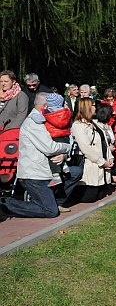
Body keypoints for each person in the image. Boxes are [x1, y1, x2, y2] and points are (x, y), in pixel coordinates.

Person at [0, 92, 80, 220]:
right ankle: (6, 204)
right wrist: (66, 148)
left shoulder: (45, 120)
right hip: (34, 174)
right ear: (45, 106)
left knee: (76, 172)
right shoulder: (33, 123)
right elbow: (50, 148)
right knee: (50, 211)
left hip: (46, 170)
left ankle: (56, 202)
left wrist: (63, 155)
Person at [71, 98, 114, 203]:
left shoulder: (95, 124)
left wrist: (110, 158)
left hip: (102, 166)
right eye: (94, 105)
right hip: (91, 165)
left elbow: (104, 142)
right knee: (90, 198)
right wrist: (102, 162)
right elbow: (86, 148)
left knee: (101, 195)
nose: (96, 107)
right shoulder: (78, 126)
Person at [43, 93, 73, 187]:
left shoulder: (48, 114)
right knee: (61, 153)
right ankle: (64, 166)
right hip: (65, 136)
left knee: (53, 157)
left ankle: (56, 177)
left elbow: (39, 118)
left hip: (54, 136)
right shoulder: (66, 113)